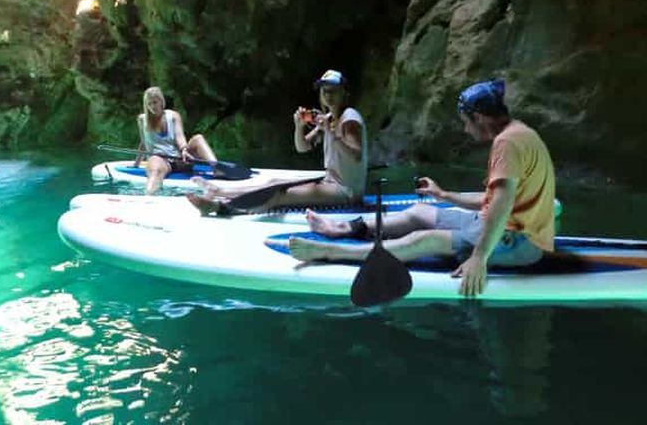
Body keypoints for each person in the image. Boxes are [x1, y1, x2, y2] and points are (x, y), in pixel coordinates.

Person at [280, 79, 556, 298]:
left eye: (465, 122)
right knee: (420, 212)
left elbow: (502, 203)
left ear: (480, 117)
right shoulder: (519, 132)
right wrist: (444, 196)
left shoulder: (507, 144)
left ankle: (328, 252)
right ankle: (341, 229)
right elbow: (493, 198)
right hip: (498, 226)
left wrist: (479, 258)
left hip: (518, 242)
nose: (466, 129)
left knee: (425, 240)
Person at [187, 69, 367, 214]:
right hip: (330, 182)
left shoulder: (349, 120)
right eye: (324, 90)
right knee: (272, 182)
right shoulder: (329, 119)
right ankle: (220, 193)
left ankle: (223, 208)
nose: (328, 94)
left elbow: (356, 154)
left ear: (344, 92)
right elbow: (302, 147)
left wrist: (330, 131)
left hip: (346, 191)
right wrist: (299, 126)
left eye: (333, 90)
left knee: (279, 194)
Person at [135, 86, 217, 194]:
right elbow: (144, 143)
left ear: (161, 101)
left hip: (179, 158)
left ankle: (216, 168)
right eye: (149, 104)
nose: (152, 106)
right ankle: (149, 197)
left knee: (198, 139)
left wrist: (184, 150)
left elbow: (180, 137)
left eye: (155, 102)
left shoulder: (173, 116)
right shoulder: (142, 120)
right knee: (155, 168)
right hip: (161, 160)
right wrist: (136, 163)